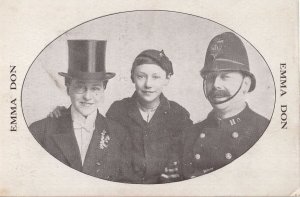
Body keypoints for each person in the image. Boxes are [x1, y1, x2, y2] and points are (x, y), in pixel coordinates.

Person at [29, 40, 134, 183]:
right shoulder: (40, 130)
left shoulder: (119, 134)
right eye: (80, 87)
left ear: (104, 89)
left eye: (95, 88)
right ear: (68, 88)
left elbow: (125, 185)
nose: (87, 96)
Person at [182, 32, 270, 179]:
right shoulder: (190, 134)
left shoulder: (264, 130)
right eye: (210, 77)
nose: (216, 84)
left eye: (225, 77)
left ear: (245, 85)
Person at [105, 49, 193, 183]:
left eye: (156, 77)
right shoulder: (117, 111)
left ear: (167, 78)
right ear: (132, 77)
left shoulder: (179, 115)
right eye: (141, 76)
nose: (148, 84)